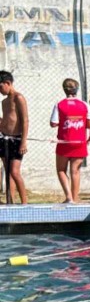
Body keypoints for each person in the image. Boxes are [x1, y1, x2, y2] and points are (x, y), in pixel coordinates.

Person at [50, 78, 90, 204]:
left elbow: (53, 123)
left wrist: (67, 120)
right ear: (77, 90)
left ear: (64, 90)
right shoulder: (85, 105)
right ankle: (74, 198)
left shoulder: (59, 104)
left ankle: (68, 197)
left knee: (61, 170)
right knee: (75, 171)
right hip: (79, 142)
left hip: (64, 142)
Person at [0, 70, 29, 204]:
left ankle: (24, 203)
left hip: (16, 139)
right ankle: (10, 201)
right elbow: (7, 119)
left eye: (0, 87)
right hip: (4, 138)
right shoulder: (4, 102)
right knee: (8, 171)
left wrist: (23, 141)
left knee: (15, 172)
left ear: (8, 83)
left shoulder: (19, 98)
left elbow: (25, 120)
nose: (0, 91)